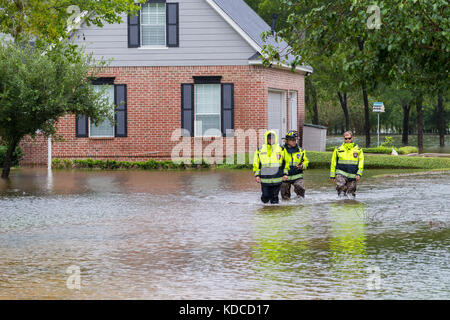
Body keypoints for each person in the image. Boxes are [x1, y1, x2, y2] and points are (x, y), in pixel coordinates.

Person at [253, 130, 289, 204]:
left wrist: (285, 174)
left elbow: (286, 162)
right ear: (266, 139)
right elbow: (256, 163)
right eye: (269, 138)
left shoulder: (281, 149)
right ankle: (264, 210)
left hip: (277, 178)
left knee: (274, 198)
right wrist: (257, 175)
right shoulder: (260, 149)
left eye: (272, 138)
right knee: (265, 197)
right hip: (265, 179)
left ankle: (274, 213)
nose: (271, 140)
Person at [330, 131, 364, 198]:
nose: (347, 140)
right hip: (341, 173)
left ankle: (350, 205)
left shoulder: (358, 149)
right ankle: (341, 203)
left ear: (352, 138)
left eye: (349, 138)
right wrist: (332, 175)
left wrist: (359, 174)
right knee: (341, 187)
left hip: (353, 175)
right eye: (346, 138)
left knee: (351, 192)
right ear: (344, 139)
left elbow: (361, 162)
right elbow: (333, 162)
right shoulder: (338, 149)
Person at [280, 130, 309, 200]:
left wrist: (302, 166)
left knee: (300, 188)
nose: (294, 141)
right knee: (285, 196)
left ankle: (300, 203)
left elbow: (306, 161)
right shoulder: (281, 150)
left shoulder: (301, 150)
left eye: (295, 140)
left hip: (297, 176)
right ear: (287, 141)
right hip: (285, 177)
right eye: (292, 140)